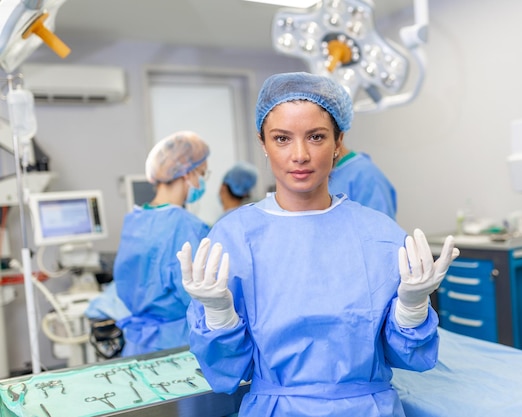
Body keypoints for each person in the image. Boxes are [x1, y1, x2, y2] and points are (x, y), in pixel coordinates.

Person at [177, 72, 459, 416]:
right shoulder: (233, 237)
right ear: (263, 143)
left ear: (338, 141)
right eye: (282, 138)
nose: (300, 155)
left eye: (316, 137)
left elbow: (409, 357)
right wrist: (220, 318)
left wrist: (413, 309)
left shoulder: (380, 235)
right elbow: (227, 374)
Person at [114, 130, 211, 357]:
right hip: (176, 346)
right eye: (202, 174)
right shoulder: (187, 226)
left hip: (136, 346)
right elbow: (202, 297)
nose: (202, 182)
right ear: (187, 173)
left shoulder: (134, 219)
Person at [330, 142, 398, 219]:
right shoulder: (320, 177)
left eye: (317, 137)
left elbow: (380, 227)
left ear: (339, 138)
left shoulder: (368, 177)